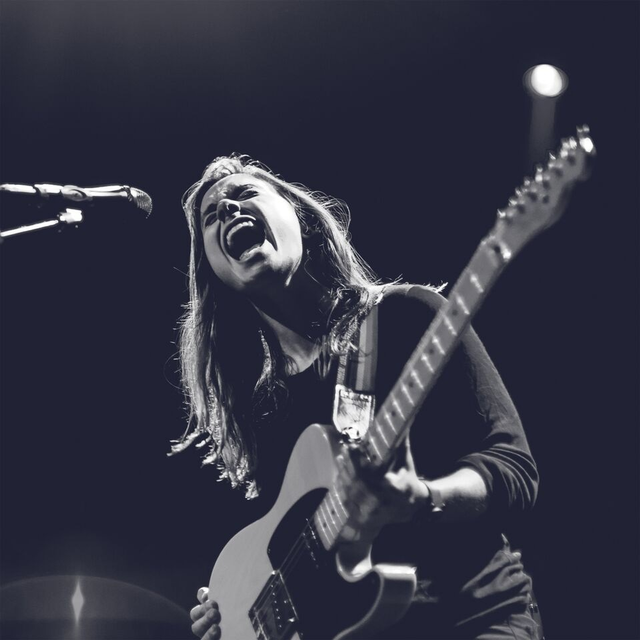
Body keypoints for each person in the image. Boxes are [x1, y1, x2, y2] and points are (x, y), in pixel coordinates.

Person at [172, 154, 543, 640]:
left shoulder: (407, 316)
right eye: (211, 216)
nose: (228, 210)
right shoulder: (260, 408)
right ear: (212, 268)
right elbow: (279, 559)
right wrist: (231, 611)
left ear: (298, 216)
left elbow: (514, 469)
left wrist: (423, 498)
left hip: (475, 618)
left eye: (246, 194)